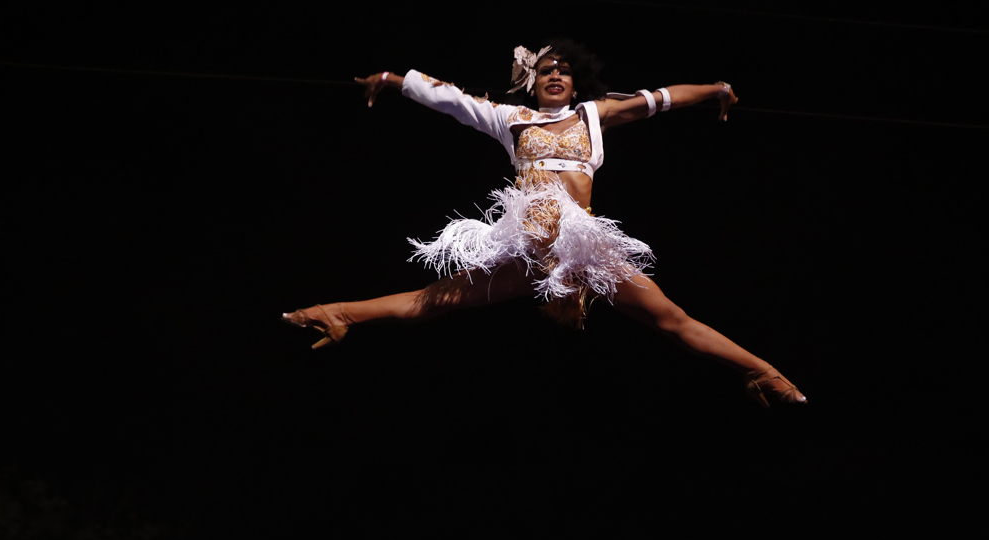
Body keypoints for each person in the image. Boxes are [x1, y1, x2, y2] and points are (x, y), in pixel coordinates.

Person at [284, 41, 806, 407]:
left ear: (575, 80)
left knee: (671, 318)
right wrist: (394, 80)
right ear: (533, 82)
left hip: (583, 247)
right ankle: (337, 314)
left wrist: (718, 87)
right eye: (546, 70)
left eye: (564, 69)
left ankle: (763, 372)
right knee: (433, 299)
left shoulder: (592, 116)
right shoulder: (511, 120)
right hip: (530, 243)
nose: (556, 75)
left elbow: (662, 98)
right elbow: (451, 99)